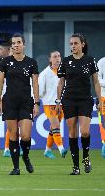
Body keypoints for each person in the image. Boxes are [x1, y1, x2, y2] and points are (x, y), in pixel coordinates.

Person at [56, 33, 101, 175]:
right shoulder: (65, 61)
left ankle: (86, 158)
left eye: (75, 43)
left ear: (82, 44)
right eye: (71, 44)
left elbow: (96, 81)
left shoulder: (90, 60)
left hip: (85, 99)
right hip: (69, 99)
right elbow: (61, 82)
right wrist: (58, 101)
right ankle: (76, 167)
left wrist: (99, 99)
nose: (73, 46)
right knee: (72, 132)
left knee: (85, 131)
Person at [0, 33, 39, 175]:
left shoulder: (32, 62)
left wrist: (37, 103)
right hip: (9, 102)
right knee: (13, 134)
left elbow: (35, 83)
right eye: (13, 43)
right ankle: (16, 168)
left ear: (24, 44)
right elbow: (0, 82)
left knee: (26, 136)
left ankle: (25, 156)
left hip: (26, 102)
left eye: (18, 42)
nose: (15, 45)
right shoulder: (5, 62)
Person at [39, 51, 67, 159]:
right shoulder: (45, 73)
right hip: (49, 104)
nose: (57, 58)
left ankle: (47, 150)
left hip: (61, 104)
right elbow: (40, 91)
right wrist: (42, 100)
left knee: (53, 128)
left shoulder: (64, 72)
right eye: (55, 57)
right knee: (56, 126)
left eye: (59, 56)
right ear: (50, 59)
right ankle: (61, 148)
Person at [97, 56, 105, 158]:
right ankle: (104, 144)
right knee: (103, 123)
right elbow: (97, 80)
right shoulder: (101, 62)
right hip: (103, 98)